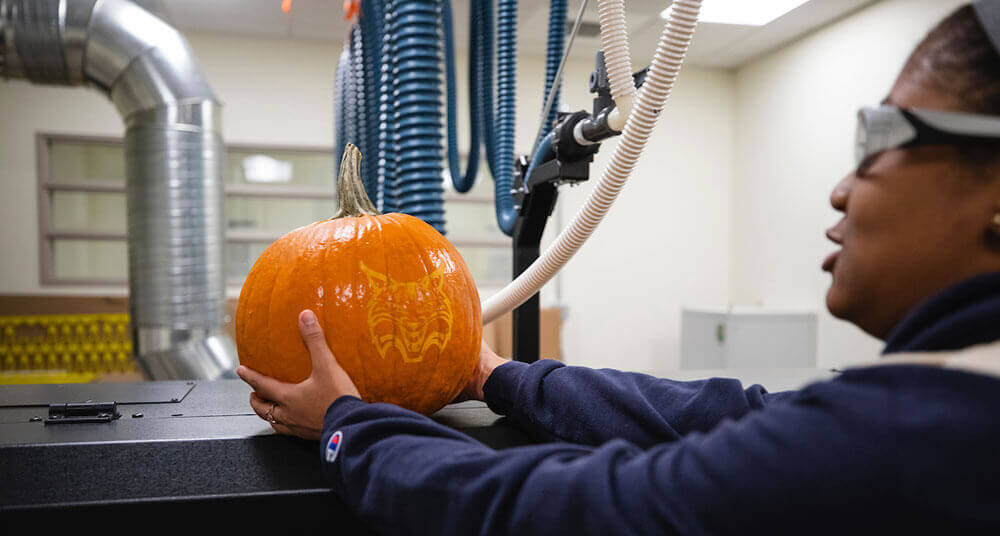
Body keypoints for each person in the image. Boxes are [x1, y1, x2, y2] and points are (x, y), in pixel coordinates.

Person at [237, 3, 1000, 534]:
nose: (841, 186)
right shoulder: (943, 405)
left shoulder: (916, 441)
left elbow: (573, 511)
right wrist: (495, 376)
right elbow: (726, 415)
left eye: (879, 138)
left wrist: (348, 428)